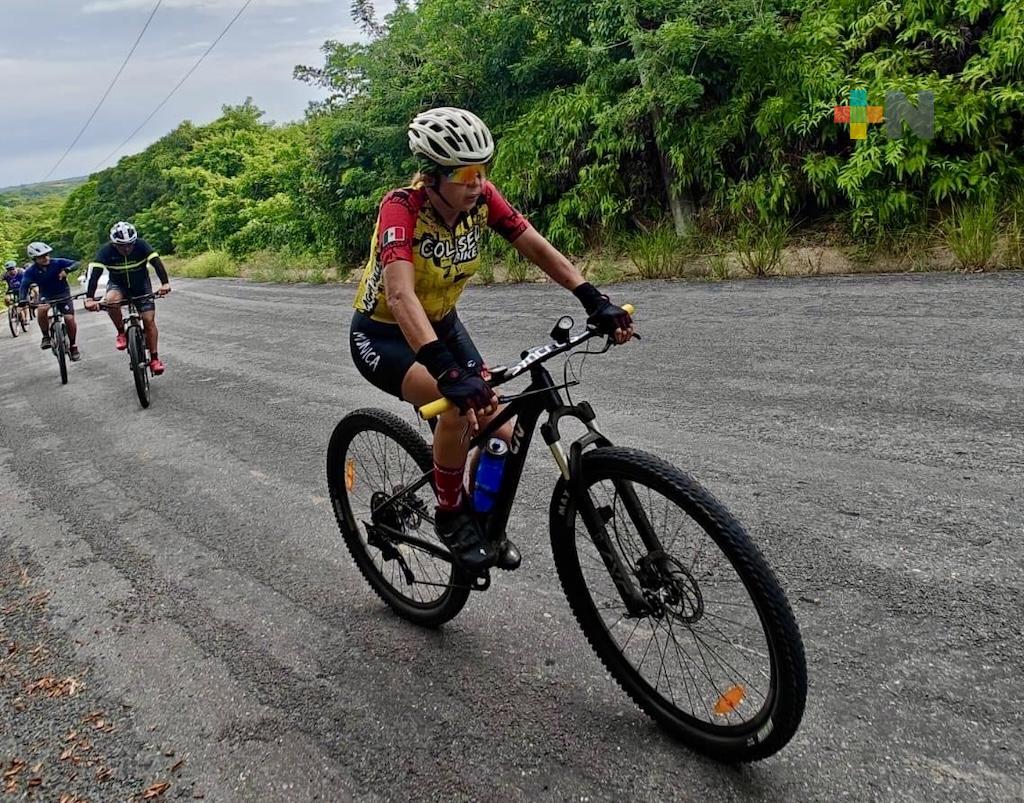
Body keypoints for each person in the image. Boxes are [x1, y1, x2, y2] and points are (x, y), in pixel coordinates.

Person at [349, 107, 633, 574]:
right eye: (466, 174)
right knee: (459, 406)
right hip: (384, 335)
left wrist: (591, 298)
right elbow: (400, 295)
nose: (478, 183)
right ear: (433, 176)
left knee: (501, 428)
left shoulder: (482, 201)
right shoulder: (402, 208)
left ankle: (483, 524)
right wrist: (446, 371)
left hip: (442, 323)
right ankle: (449, 516)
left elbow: (536, 246)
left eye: (484, 170)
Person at [84, 222, 171, 375]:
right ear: (113, 243)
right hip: (118, 285)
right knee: (111, 300)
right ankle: (121, 332)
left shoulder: (142, 245)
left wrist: (165, 284)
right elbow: (94, 276)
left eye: (130, 245)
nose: (126, 249)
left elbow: (157, 263)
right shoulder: (105, 251)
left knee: (148, 320)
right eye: (121, 245)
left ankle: (155, 358)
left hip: (141, 285)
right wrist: (90, 298)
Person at [18, 242, 82, 360]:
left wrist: (67, 270)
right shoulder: (30, 271)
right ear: (34, 259)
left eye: (47, 255)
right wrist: (22, 299)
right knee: (41, 310)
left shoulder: (57, 262)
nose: (46, 258)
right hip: (46, 295)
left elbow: (77, 263)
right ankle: (46, 336)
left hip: (63, 293)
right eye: (41, 256)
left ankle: (73, 345)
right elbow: (24, 285)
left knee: (69, 318)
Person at [3, 260, 30, 327]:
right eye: (9, 270)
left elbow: (28, 279)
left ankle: (26, 318)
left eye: (12, 269)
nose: (11, 271)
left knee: (24, 303)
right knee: (6, 299)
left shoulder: (21, 272)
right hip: (11, 290)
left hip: (22, 289)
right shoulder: (5, 275)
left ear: (15, 267)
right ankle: (13, 310)